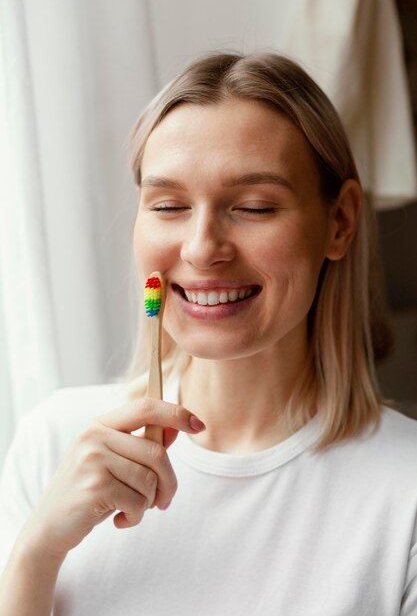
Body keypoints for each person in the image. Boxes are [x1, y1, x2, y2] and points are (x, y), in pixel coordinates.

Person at [0, 51, 416, 616]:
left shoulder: (405, 491)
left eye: (252, 207)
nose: (200, 248)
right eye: (168, 205)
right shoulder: (52, 444)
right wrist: (34, 555)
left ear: (338, 223)